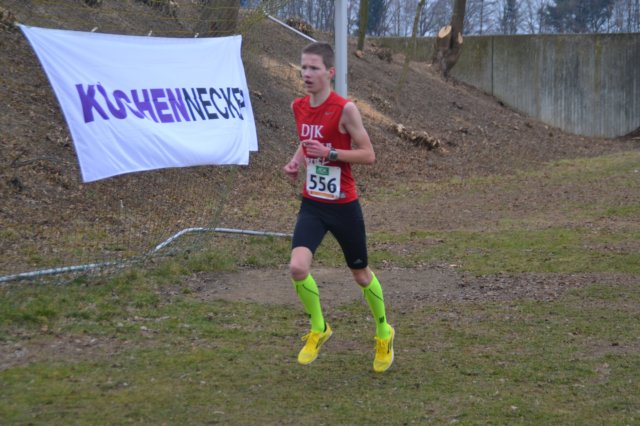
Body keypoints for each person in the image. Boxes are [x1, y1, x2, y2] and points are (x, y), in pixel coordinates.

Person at [283, 42, 394, 373]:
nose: (306, 73)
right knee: (297, 267)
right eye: (303, 67)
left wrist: (330, 153)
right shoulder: (298, 106)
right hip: (313, 204)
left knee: (361, 275)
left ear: (329, 72)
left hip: (343, 205)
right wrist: (295, 160)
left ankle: (384, 332)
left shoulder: (345, 109)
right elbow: (307, 142)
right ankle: (319, 327)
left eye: (313, 68)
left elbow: (368, 154)